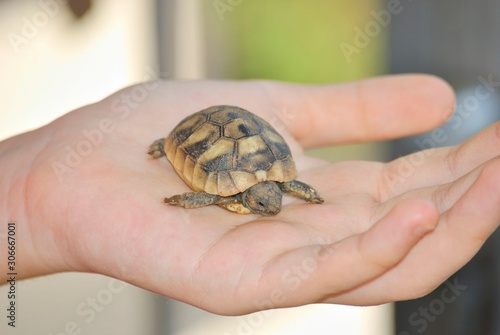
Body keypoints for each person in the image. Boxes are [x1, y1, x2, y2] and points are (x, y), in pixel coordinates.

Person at [1, 74, 498, 315]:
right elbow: (213, 196)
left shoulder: (277, 185)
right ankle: (164, 147)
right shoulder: (224, 193)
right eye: (265, 203)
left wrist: (29, 203)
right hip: (196, 132)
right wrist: (182, 198)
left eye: (272, 200)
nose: (273, 205)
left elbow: (286, 187)